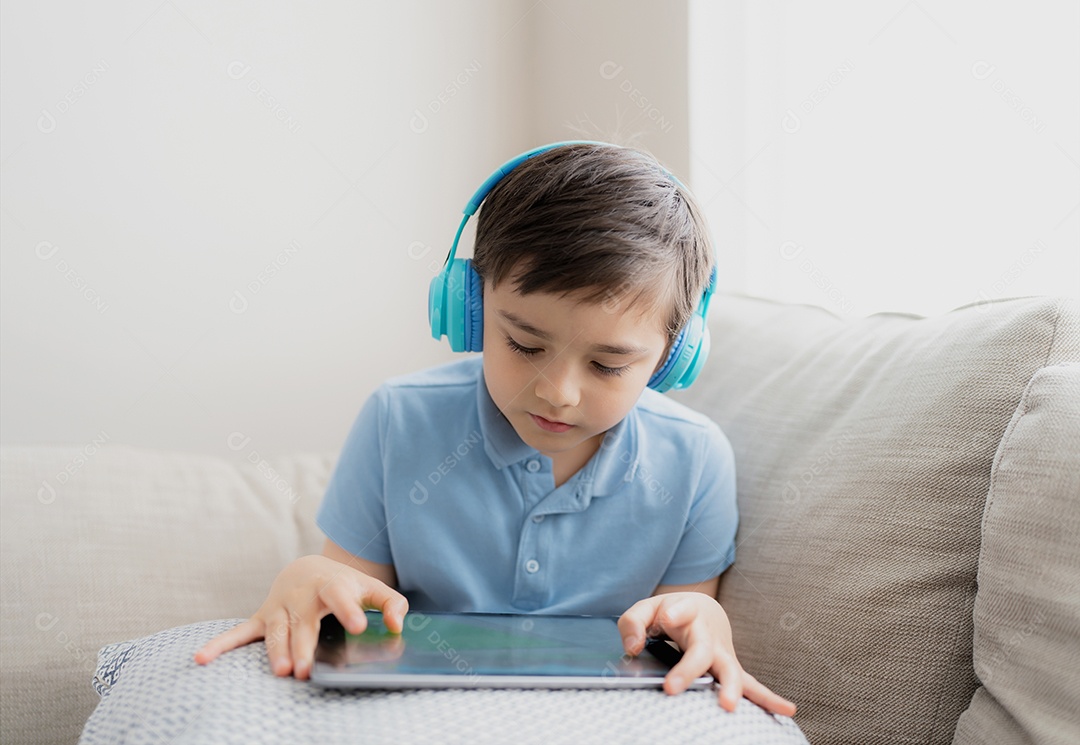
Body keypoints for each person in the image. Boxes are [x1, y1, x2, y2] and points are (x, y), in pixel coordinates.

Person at [195, 141, 796, 716]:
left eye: (608, 365)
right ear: (469, 306)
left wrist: (704, 619)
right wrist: (311, 579)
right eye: (525, 344)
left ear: (673, 355)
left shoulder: (696, 461)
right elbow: (349, 600)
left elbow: (684, 621)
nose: (558, 393)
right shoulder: (396, 420)